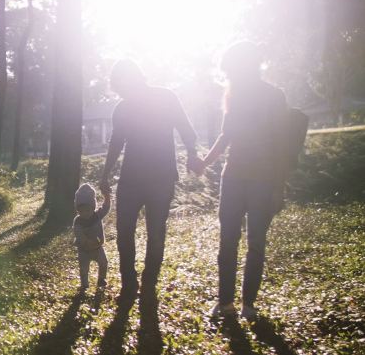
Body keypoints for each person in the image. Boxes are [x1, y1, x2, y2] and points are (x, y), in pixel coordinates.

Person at [193, 41, 287, 320]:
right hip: (233, 178)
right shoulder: (233, 95)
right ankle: (226, 305)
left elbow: (281, 145)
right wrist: (205, 162)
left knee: (252, 242)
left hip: (262, 180)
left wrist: (278, 187)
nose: (228, 76)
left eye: (230, 70)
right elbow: (226, 136)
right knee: (231, 241)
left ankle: (247, 305)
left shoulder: (273, 96)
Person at [99, 59, 202, 298]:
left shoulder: (166, 98)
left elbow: (186, 129)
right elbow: (116, 143)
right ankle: (130, 283)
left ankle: (148, 282)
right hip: (131, 179)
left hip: (161, 177)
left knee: (155, 231)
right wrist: (105, 174)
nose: (121, 91)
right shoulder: (122, 108)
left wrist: (193, 154)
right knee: (126, 231)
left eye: (121, 85)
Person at [73, 183, 110, 290]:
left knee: (104, 263)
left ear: (93, 207)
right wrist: (87, 242)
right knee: (84, 268)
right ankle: (84, 284)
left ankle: (101, 280)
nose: (85, 213)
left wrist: (107, 197)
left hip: (98, 248)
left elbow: (106, 208)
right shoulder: (78, 221)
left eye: (88, 210)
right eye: (81, 211)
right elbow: (78, 233)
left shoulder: (97, 215)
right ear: (78, 210)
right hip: (83, 250)